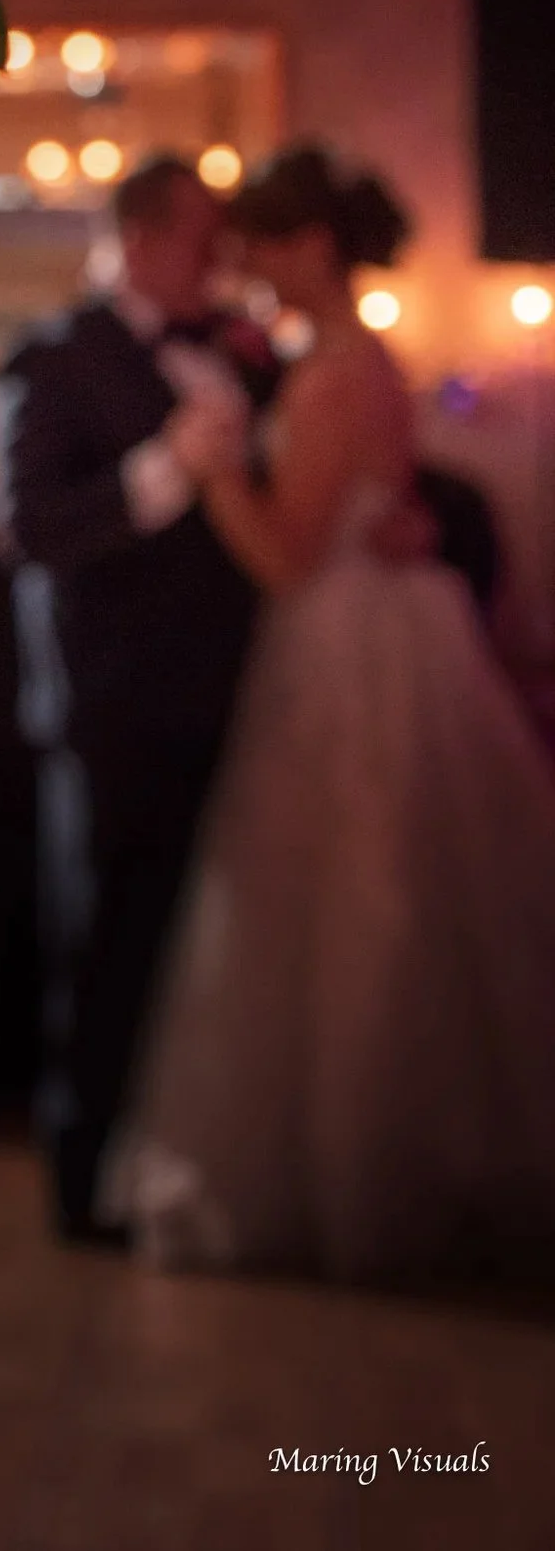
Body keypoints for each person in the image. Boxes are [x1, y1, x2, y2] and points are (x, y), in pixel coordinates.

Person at [100, 145, 555, 1281]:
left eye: (256, 242)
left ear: (312, 246)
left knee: (346, 904)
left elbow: (290, 558)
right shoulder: (345, 360)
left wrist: (211, 476)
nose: (243, 265)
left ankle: (358, 1167)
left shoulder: (335, 373)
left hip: (340, 653)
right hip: (375, 640)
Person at [0, 154, 283, 1244]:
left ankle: (187, 1162)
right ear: (147, 237)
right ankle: (88, 1181)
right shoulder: (52, 356)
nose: (225, 258)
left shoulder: (245, 350)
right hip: (111, 709)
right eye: (207, 238)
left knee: (213, 948)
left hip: (247, 699)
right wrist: (161, 469)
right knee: (107, 947)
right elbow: (28, 527)